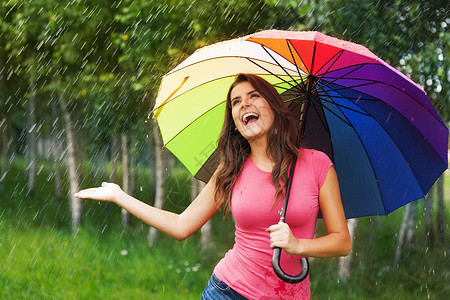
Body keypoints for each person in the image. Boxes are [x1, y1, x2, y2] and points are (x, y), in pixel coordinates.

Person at [74, 73, 351, 299]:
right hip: (229, 291)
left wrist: (297, 244)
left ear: (275, 107)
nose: (244, 105)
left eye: (255, 96)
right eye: (236, 102)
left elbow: (341, 241)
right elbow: (182, 226)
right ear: (234, 121)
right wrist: (119, 195)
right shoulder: (230, 170)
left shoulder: (317, 164)